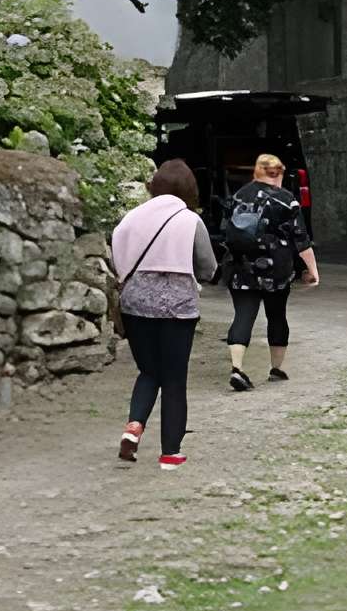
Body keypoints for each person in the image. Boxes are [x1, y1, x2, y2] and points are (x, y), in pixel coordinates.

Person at [110, 160, 218, 467]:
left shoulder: (130, 218)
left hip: (135, 306)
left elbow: (119, 257)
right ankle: (170, 452)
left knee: (148, 371)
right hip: (177, 309)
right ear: (189, 189)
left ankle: (133, 427)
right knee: (173, 379)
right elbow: (208, 268)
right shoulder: (189, 221)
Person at [218, 152, 320, 392]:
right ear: (280, 174)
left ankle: (236, 367)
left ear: (256, 172)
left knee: (243, 315)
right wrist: (312, 270)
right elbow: (301, 240)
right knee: (277, 315)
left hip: (240, 267)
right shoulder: (286, 200)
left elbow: (226, 231)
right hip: (276, 269)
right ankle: (276, 368)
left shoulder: (238, 196)